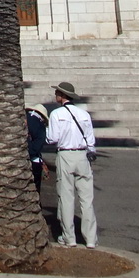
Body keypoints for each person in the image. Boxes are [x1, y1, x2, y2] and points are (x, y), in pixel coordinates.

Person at [46, 81, 98, 248]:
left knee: (66, 197)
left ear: (62, 96)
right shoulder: (84, 114)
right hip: (82, 155)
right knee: (86, 199)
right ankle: (90, 238)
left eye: (57, 93)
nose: (56, 96)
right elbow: (90, 139)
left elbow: (52, 138)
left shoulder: (56, 114)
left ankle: (69, 237)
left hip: (65, 154)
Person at [26, 104, 50, 192]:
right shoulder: (39, 125)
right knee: (34, 190)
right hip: (33, 161)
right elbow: (38, 145)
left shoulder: (23, 119)